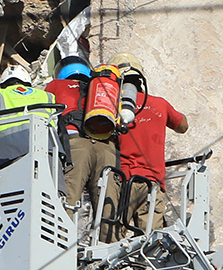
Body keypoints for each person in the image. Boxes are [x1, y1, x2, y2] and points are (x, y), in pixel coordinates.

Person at [114, 58, 188, 235]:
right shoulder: (159, 104)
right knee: (152, 243)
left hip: (123, 180)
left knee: (113, 238)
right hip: (152, 183)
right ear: (141, 82)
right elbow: (183, 126)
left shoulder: (112, 106)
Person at [45, 54, 116, 225]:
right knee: (107, 201)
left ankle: (61, 239)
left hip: (75, 143)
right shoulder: (99, 88)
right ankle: (109, 242)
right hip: (106, 146)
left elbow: (45, 113)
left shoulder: (56, 84)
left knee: (69, 197)